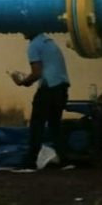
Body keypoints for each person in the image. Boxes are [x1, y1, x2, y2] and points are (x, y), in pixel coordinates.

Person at [13, 32, 70, 169]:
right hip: (62, 87)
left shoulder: (34, 45)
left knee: (36, 125)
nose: (22, 31)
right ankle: (65, 160)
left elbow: (37, 73)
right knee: (55, 125)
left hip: (48, 88)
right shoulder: (49, 42)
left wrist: (23, 81)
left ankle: (30, 162)